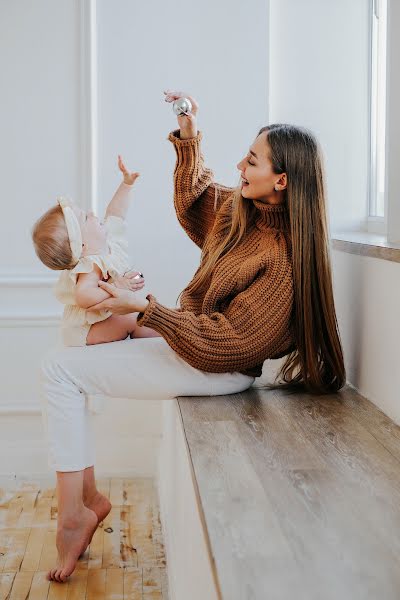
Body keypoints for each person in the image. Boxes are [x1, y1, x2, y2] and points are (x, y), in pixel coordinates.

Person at [41, 90, 345, 582]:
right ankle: (84, 502)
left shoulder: (282, 257)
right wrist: (187, 132)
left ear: (282, 180)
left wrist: (147, 310)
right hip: (197, 353)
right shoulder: (247, 215)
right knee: (64, 360)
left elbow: (233, 343)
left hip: (216, 368)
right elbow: (197, 201)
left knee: (58, 370)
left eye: (252, 159)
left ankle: (74, 514)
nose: (240, 165)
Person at [32, 155, 159, 347]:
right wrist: (119, 286)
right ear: (82, 247)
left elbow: (116, 212)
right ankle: (165, 341)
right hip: (85, 331)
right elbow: (84, 297)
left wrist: (126, 185)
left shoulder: (109, 241)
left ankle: (165, 333)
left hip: (100, 321)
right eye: (85, 218)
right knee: (134, 318)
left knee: (141, 315)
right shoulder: (90, 265)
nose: (92, 214)